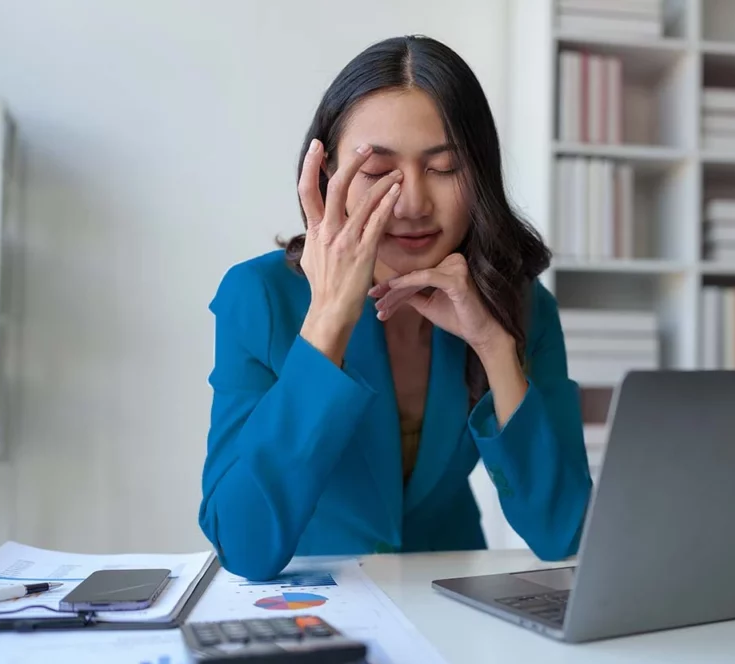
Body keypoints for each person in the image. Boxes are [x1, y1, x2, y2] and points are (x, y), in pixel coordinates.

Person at [199, 34, 592, 581]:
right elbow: (242, 545)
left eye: (445, 167)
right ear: (325, 176)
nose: (411, 203)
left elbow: (561, 532)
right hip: (319, 609)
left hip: (453, 604)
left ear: (480, 175)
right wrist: (328, 321)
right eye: (377, 170)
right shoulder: (258, 297)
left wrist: (496, 347)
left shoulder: (523, 307)